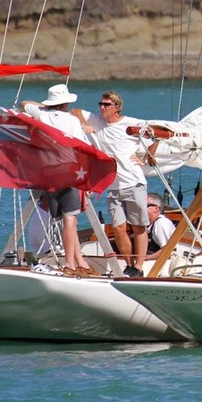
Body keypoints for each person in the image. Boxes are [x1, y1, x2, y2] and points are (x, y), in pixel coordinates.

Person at [20, 83, 96, 276]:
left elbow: (24, 103)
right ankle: (70, 264)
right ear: (65, 104)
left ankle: (80, 261)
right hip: (70, 173)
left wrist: (44, 109)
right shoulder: (71, 121)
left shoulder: (42, 116)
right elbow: (82, 148)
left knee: (65, 220)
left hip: (49, 174)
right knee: (70, 219)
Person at [74, 90, 149, 278]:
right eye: (100, 104)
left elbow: (155, 135)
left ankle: (139, 267)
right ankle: (130, 264)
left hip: (134, 182)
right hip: (113, 186)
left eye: (106, 105)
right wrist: (84, 125)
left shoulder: (130, 123)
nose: (101, 107)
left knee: (139, 226)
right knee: (118, 228)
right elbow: (75, 111)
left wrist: (147, 157)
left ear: (117, 107)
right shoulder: (99, 123)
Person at [144, 192, 175, 260]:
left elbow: (167, 250)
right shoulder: (148, 225)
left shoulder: (161, 223)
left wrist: (146, 258)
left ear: (156, 209)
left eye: (144, 205)